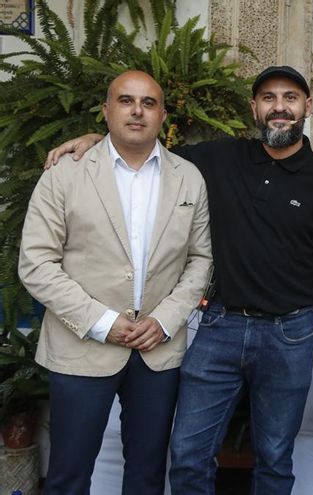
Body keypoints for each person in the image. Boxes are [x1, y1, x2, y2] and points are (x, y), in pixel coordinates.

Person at [44, 65, 313, 494]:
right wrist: (94, 142)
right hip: (220, 327)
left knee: (275, 457)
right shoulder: (216, 159)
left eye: (290, 98)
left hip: (289, 335)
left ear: (307, 107)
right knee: (187, 455)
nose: (280, 107)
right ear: (254, 106)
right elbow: (139, 146)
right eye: (269, 98)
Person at [18, 70, 212, 495]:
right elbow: (35, 262)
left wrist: (164, 321)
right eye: (126, 101)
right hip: (81, 346)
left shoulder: (189, 178)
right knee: (68, 475)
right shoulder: (65, 174)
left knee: (146, 477)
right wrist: (102, 321)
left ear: (163, 115)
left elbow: (200, 260)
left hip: (156, 352)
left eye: (148, 103)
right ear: (106, 111)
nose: (137, 111)